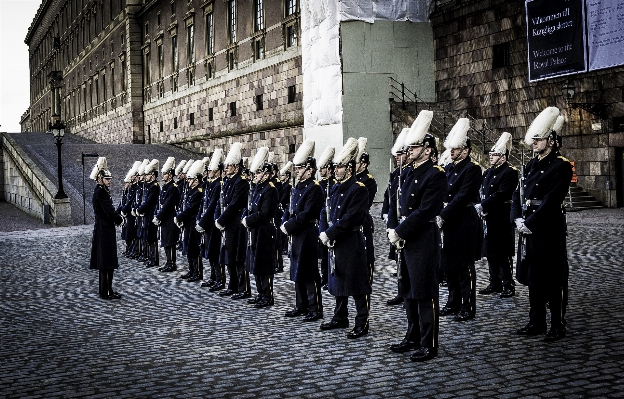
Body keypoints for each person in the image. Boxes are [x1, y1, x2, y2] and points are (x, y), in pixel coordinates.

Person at [387, 110, 446, 362]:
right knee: (408, 290)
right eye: (409, 146)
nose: (410, 149)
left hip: (422, 238)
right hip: (406, 240)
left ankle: (428, 342)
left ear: (429, 150)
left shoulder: (436, 174)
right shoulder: (408, 172)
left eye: (416, 146)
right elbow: (397, 204)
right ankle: (412, 335)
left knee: (424, 292)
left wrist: (400, 230)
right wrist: (394, 229)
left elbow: (426, 210)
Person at [512, 107, 572, 342]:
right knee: (533, 276)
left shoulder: (561, 165)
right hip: (528, 226)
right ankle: (536, 320)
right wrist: (517, 218)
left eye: (539, 138)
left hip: (548, 228)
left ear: (552, 141)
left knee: (554, 277)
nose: (534, 142)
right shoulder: (531, 165)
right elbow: (519, 194)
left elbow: (553, 199)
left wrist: (531, 222)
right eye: (534, 138)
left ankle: (557, 324)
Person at [319, 138, 371, 339]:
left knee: (357, 283)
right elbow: (326, 210)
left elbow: (351, 218)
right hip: (336, 240)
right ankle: (340, 316)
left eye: (339, 167)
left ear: (349, 168)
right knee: (338, 279)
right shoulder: (335, 187)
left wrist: (330, 233)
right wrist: (324, 231)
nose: (335, 170)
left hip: (351, 240)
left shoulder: (358, 188)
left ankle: (362, 321)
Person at [438, 118, 483, 322]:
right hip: (450, 221)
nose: (452, 152)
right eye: (451, 149)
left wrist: (443, 215)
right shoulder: (448, 168)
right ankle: (453, 301)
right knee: (450, 265)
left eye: (456, 149)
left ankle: (468, 305)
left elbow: (463, 196)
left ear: (466, 150)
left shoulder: (472, 168)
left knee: (464, 266)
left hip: (464, 219)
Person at [282, 140, 325, 321]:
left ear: (309, 170)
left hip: (307, 233)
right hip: (296, 233)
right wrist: (285, 222)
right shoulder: (297, 187)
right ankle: (301, 305)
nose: (297, 171)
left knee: (309, 272)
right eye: (297, 168)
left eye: (300, 168)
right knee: (297, 270)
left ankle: (315, 308)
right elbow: (290, 209)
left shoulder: (314, 188)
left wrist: (289, 225)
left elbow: (307, 214)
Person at [476, 132, 518, 298]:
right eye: (491, 155)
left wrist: (484, 205)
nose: (491, 157)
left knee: (503, 252)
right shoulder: (487, 172)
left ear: (503, 157)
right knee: (490, 251)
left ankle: (508, 284)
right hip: (489, 216)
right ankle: (495, 282)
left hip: (502, 215)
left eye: (494, 155)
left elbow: (502, 193)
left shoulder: (510, 172)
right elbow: (483, 191)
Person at [243, 147, 279, 308]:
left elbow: (264, 213)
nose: (255, 176)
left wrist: (248, 220)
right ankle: (260, 293)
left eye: (257, 173)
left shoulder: (270, 189)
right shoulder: (257, 188)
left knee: (264, 264)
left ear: (265, 174)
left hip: (264, 230)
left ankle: (267, 295)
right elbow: (251, 207)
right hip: (256, 231)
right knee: (255, 263)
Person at [215, 143, 251, 299]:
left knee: (238, 256)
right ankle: (232, 285)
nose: (227, 167)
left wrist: (221, 220)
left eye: (230, 165)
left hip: (236, 223)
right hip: (229, 223)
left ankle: (243, 288)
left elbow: (234, 203)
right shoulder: (229, 181)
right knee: (229, 255)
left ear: (236, 167)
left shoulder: (241, 182)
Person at [89, 157, 124, 300]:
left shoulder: (102, 191)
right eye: (106, 178)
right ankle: (106, 292)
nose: (109, 181)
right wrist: (120, 219)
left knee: (107, 261)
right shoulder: (101, 193)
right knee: (106, 261)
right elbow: (109, 211)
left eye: (110, 178)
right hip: (105, 230)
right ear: (99, 179)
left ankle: (107, 289)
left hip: (104, 228)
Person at [382, 128, 410, 306]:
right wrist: (387, 215)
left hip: (406, 222)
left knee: (407, 259)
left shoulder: (408, 172)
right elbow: (389, 196)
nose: (397, 158)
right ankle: (401, 290)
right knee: (399, 259)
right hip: (395, 220)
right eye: (396, 155)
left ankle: (406, 290)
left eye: (400, 154)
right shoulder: (396, 174)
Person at [197, 149, 225, 289]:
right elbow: (204, 203)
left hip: (213, 222)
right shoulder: (210, 183)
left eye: (212, 170)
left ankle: (220, 279)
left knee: (215, 252)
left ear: (218, 171)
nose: (209, 172)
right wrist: (199, 219)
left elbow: (213, 205)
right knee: (209, 251)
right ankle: (213, 277)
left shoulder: (219, 184)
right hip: (208, 223)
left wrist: (202, 222)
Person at [175, 159, 204, 282]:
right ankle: (191, 270)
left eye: (191, 179)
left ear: (196, 180)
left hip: (193, 222)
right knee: (188, 246)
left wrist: (179, 217)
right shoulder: (191, 190)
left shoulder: (198, 191)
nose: (188, 181)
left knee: (194, 248)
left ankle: (197, 272)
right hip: (188, 222)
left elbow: (191, 208)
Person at [355, 138, 378, 280]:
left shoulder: (368, 181)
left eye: (356, 162)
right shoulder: (354, 179)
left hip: (363, 220)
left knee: (366, 253)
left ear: (363, 164)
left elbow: (364, 204)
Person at [154, 157, 180, 273]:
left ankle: (171, 263)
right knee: (165, 241)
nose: (162, 176)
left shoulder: (173, 187)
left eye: (164, 174)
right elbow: (161, 203)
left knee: (170, 242)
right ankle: (168, 262)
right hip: (165, 218)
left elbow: (169, 205)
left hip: (169, 218)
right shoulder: (165, 187)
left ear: (170, 175)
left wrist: (159, 216)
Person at [316, 148, 336, 290]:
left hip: (331, 220)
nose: (320, 170)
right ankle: (324, 277)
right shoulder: (321, 184)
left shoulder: (333, 183)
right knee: (323, 254)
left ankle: (330, 277)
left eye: (323, 168)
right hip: (321, 219)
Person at [138, 159, 161, 268]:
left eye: (147, 175)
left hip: (152, 214)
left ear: (152, 175)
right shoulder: (149, 186)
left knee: (152, 237)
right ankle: (151, 257)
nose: (145, 176)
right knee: (148, 236)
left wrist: (140, 210)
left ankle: (154, 258)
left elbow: (149, 202)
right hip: (147, 214)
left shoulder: (155, 186)